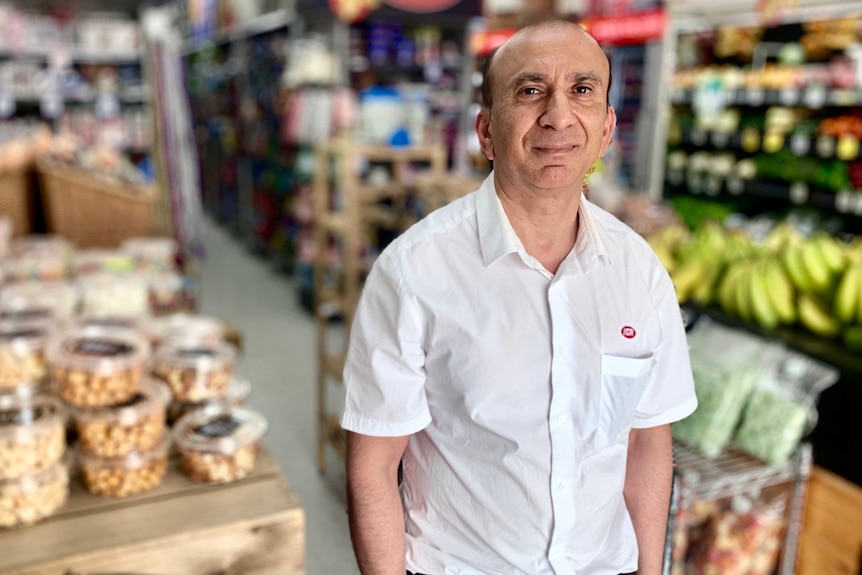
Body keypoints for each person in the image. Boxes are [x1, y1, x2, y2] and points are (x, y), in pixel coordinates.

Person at [341, 18, 698, 575]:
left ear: (606, 131)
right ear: (485, 131)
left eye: (581, 91)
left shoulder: (638, 271)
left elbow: (649, 441)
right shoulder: (414, 272)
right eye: (531, 91)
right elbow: (372, 464)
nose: (558, 115)